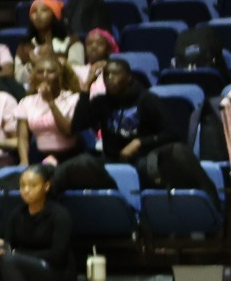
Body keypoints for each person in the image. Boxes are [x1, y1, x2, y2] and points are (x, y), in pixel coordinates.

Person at [55, 58, 223, 204]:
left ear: (128, 77)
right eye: (107, 75)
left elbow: (172, 133)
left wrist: (140, 142)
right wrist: (85, 88)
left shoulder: (147, 100)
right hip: (113, 161)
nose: (110, 79)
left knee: (179, 151)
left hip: (145, 159)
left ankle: (212, 202)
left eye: (116, 74)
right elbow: (76, 126)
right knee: (80, 163)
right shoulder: (101, 102)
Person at [17, 52, 82, 165]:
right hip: (40, 157)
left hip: (69, 157)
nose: (45, 75)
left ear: (60, 75)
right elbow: (23, 137)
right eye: (40, 72)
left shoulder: (74, 99)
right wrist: (24, 160)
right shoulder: (26, 102)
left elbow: (68, 131)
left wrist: (51, 102)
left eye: (51, 72)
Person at [15, 0, 82, 88]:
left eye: (44, 10)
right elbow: (18, 78)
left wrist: (52, 59)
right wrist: (33, 65)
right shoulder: (24, 46)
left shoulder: (72, 41)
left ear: (54, 14)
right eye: (34, 12)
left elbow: (78, 73)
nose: (38, 15)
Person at [75, 28, 118, 96]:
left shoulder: (115, 71)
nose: (94, 47)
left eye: (100, 43)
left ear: (109, 49)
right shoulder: (76, 70)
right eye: (89, 43)